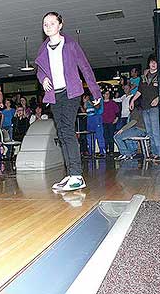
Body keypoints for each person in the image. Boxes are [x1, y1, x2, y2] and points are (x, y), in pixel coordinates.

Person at [35, 11, 101, 191]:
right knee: (62, 134)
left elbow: (85, 68)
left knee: (67, 130)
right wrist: (43, 79)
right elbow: (40, 69)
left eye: (52, 23)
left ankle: (77, 175)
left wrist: (96, 93)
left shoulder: (71, 44)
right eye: (45, 24)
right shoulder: (43, 48)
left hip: (71, 93)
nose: (48, 26)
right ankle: (70, 174)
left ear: (60, 25)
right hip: (55, 95)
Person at [129, 54, 160, 161]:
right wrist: (133, 100)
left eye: (155, 62)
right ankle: (155, 154)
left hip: (155, 108)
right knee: (150, 132)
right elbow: (139, 91)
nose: (153, 64)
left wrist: (158, 98)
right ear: (149, 63)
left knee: (156, 131)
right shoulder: (144, 77)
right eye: (152, 62)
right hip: (145, 107)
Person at [102, 91, 119, 155]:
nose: (107, 95)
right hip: (103, 122)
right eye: (106, 94)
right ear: (103, 95)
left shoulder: (113, 103)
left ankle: (111, 151)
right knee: (105, 136)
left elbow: (117, 112)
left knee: (111, 136)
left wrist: (116, 119)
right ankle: (105, 150)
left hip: (111, 121)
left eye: (108, 94)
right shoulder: (101, 103)